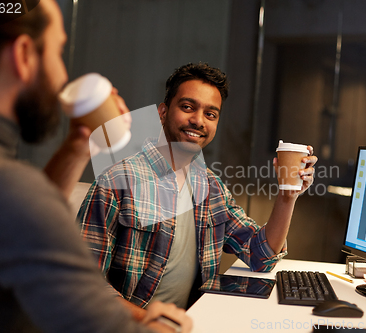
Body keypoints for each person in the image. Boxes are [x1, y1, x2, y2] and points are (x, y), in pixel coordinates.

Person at [0, 0, 191, 332]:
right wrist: (168, 325)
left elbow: (17, 227)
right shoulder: (2, 189)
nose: (62, 76)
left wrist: (81, 145)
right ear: (24, 54)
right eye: (57, 51)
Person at [77, 62, 318, 318]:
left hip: (193, 320)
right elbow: (82, 285)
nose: (198, 121)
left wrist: (287, 195)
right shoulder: (117, 181)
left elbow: (260, 255)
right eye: (188, 107)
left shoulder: (211, 187)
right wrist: (148, 323)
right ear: (162, 112)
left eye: (210, 114)